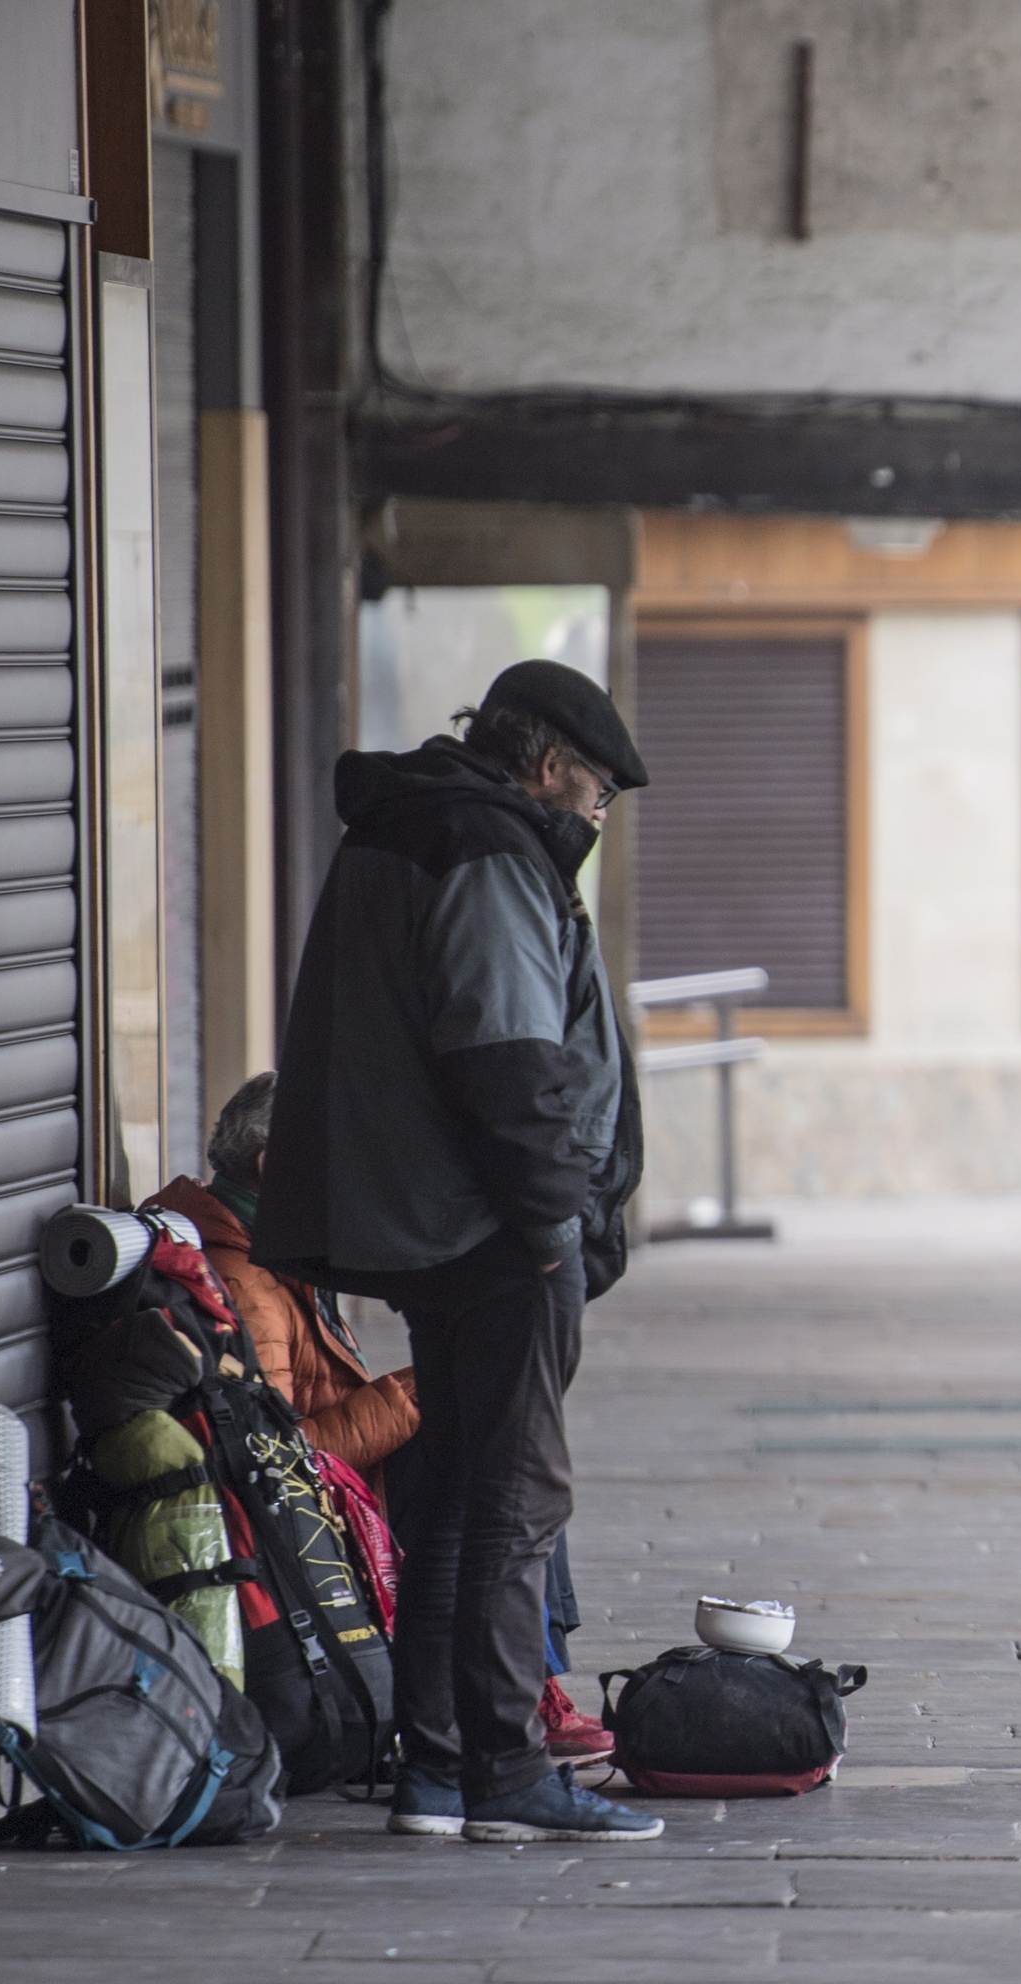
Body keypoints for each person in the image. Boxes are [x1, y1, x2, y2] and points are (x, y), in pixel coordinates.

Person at [257, 660, 655, 1845]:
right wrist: (551, 1228)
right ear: (544, 767)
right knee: (518, 1497)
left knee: (458, 1490)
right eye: (594, 798)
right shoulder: (484, 848)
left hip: (436, 1220)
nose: (592, 823)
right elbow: (507, 1057)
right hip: (491, 1229)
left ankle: (436, 1769)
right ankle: (506, 1771)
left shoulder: (413, 824)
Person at [148, 1072, 616, 1768]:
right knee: (503, 1457)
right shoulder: (247, 1278)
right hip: (315, 1519)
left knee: (508, 1438)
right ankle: (527, 1690)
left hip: (341, 1487)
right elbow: (269, 1458)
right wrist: (407, 1399)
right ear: (276, 1166)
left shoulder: (269, 1245)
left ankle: (531, 1679)